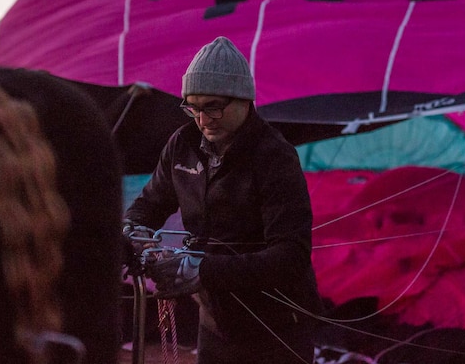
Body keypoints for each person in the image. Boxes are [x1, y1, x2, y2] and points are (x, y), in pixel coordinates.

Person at [124, 36, 322, 364]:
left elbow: (290, 256)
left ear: (244, 99)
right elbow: (151, 202)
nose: (202, 119)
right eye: (193, 107)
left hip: (277, 329)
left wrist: (201, 270)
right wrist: (134, 231)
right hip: (214, 324)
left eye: (213, 106)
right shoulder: (182, 144)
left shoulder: (274, 156)